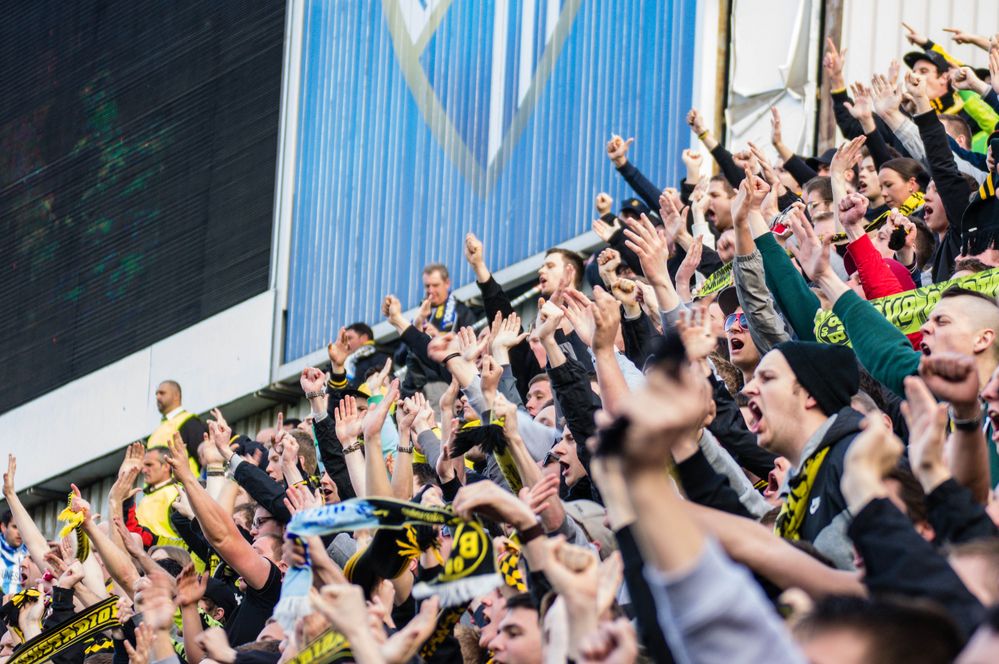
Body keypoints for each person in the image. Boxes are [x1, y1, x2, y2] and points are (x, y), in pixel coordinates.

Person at [742, 341, 862, 568]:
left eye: (767, 378)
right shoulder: (800, 487)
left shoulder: (856, 459)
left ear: (810, 394)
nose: (748, 389)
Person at [147, 379, 207, 469]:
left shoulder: (189, 422)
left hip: (184, 482)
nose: (158, 397)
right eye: (156, 394)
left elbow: (204, 459)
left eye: (162, 393)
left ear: (176, 396)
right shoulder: (157, 431)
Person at [0, 510, 27, 595]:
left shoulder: (30, 554)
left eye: (22, 527)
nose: (19, 532)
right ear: (3, 527)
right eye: (15, 527)